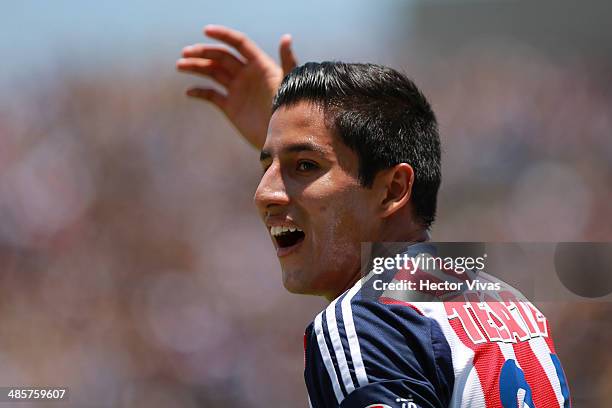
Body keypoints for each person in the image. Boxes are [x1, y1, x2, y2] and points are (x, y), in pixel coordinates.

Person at [177, 25, 571, 408]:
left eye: (305, 166)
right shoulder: (512, 305)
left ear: (394, 190)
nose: (264, 193)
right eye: (268, 167)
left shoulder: (359, 324)